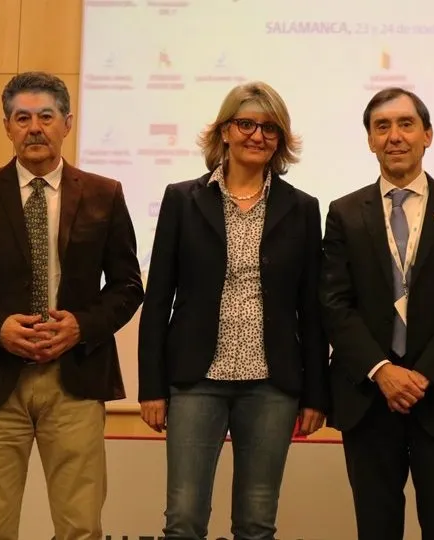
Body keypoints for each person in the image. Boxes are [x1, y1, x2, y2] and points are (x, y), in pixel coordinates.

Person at [0, 71, 144, 540]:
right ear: (7, 127)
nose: (35, 128)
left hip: (75, 381)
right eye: (22, 118)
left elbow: (127, 285)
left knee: (81, 526)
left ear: (67, 122)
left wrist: (81, 327)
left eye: (46, 116)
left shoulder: (105, 194)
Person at [137, 81, 329, 540]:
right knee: (183, 519)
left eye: (269, 128)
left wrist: (317, 395)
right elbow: (159, 296)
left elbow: (313, 308)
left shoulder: (301, 208)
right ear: (225, 131)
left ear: (280, 140)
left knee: (257, 524)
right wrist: (151, 387)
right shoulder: (182, 199)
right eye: (246, 124)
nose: (257, 135)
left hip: (272, 384)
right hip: (195, 381)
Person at [320, 87, 434, 540]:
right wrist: (382, 371)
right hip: (369, 400)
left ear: (427, 135)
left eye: (405, 124)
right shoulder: (343, 213)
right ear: (370, 141)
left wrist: (422, 376)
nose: (394, 136)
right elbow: (334, 303)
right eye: (382, 127)